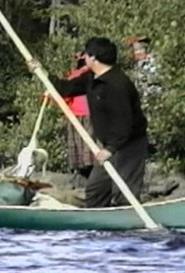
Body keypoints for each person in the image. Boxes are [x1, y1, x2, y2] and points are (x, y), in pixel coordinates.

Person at [28, 37, 148, 208]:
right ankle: (96, 226)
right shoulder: (91, 78)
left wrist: (110, 149)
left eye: (86, 54)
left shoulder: (117, 85)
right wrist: (42, 73)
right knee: (96, 191)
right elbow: (65, 88)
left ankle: (127, 225)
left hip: (129, 145)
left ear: (93, 57)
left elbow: (124, 122)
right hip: (109, 145)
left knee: (125, 193)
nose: (84, 58)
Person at [64, 52, 95, 180]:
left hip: (85, 113)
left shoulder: (88, 75)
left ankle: (87, 169)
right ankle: (84, 170)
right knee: (82, 143)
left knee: (85, 143)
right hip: (77, 114)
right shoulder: (76, 75)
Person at [125, 36, 162, 105]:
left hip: (152, 102)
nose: (135, 53)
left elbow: (152, 83)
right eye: (135, 50)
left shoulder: (152, 63)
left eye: (137, 50)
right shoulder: (138, 64)